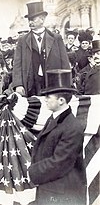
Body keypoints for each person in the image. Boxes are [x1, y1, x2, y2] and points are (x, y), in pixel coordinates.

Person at [27, 69, 86, 205]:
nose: (45, 99)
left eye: (48, 96)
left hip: (64, 193)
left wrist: (33, 172)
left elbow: (60, 162)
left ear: (61, 100)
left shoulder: (72, 127)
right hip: (52, 189)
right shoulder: (54, 119)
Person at [12, 1, 70, 97]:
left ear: (42, 19)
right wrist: (18, 84)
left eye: (33, 19)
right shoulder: (22, 40)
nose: (30, 22)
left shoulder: (56, 38)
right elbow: (17, 64)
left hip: (53, 83)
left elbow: (65, 63)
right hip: (30, 84)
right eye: (29, 20)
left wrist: (66, 84)